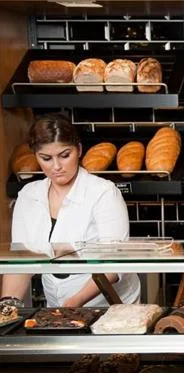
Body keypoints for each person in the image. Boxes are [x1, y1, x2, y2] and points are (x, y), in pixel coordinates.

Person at [1, 114, 140, 307]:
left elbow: (114, 267)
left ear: (79, 150)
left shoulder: (104, 193)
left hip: (108, 305)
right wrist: (8, 306)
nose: (57, 166)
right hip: (57, 304)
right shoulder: (28, 196)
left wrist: (73, 303)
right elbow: (21, 261)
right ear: (36, 156)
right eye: (46, 158)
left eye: (65, 155)